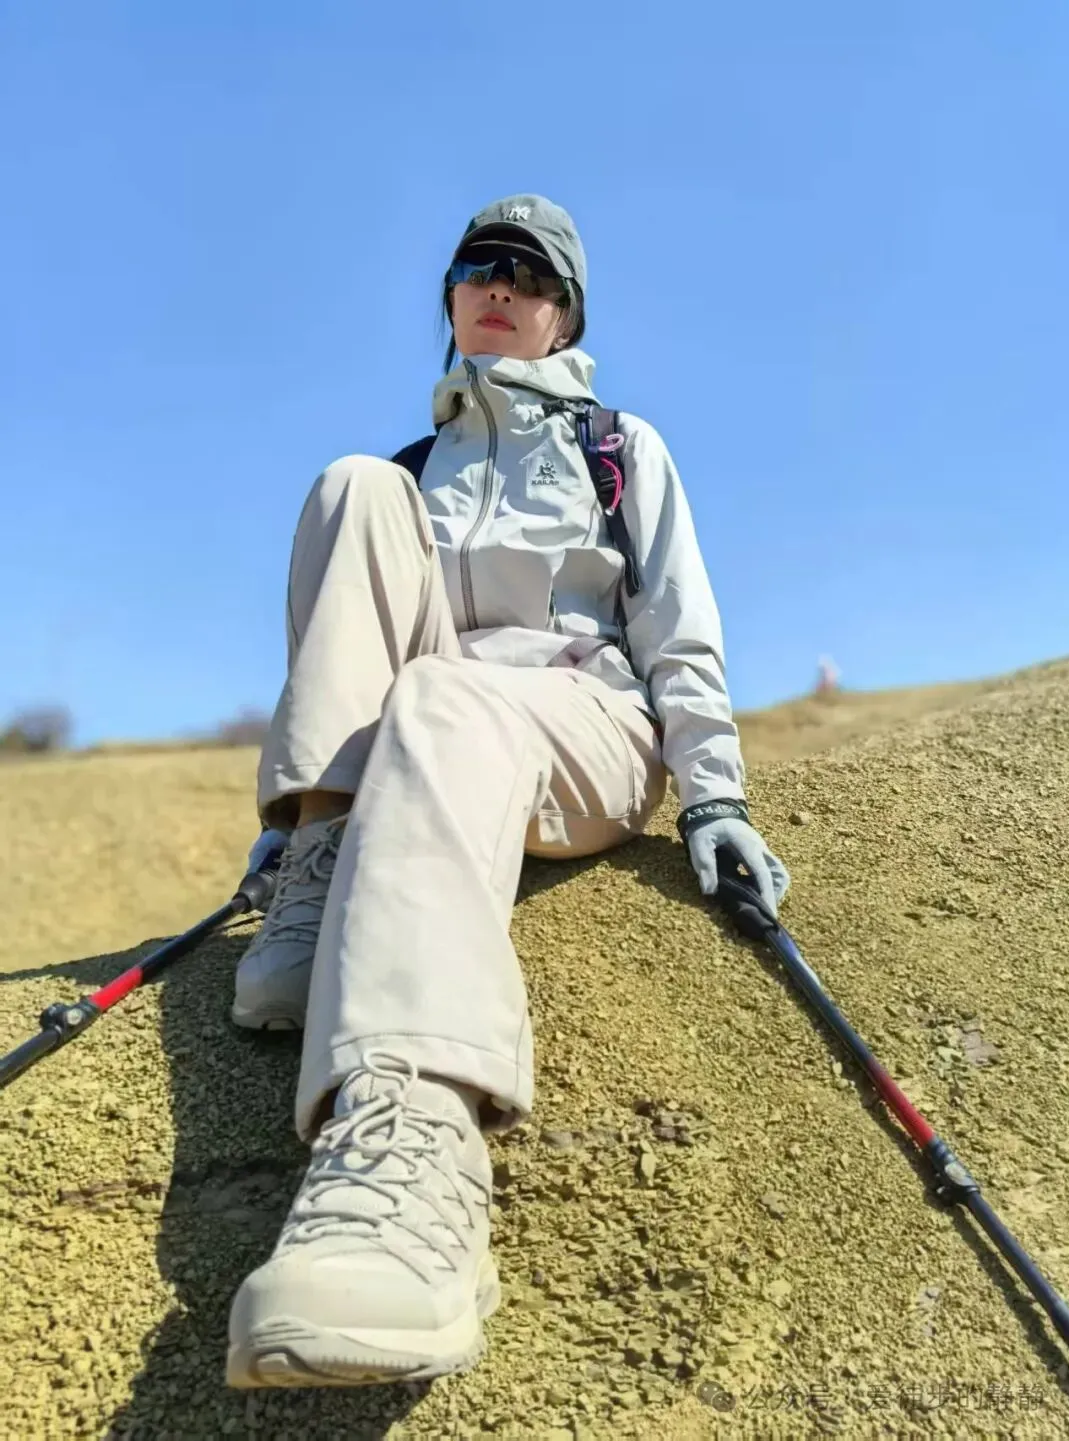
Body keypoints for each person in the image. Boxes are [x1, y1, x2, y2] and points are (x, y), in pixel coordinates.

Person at [224, 194, 790, 1390]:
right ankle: (321, 869)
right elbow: (352, 648)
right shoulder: (413, 470)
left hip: (584, 722)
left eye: (532, 277)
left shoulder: (619, 447)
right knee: (348, 486)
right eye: (480, 266)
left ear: (563, 316)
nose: (501, 285)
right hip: (426, 730)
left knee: (443, 694)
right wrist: (299, 813)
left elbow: (679, 629)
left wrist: (714, 795)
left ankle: (414, 1149)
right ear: (449, 296)